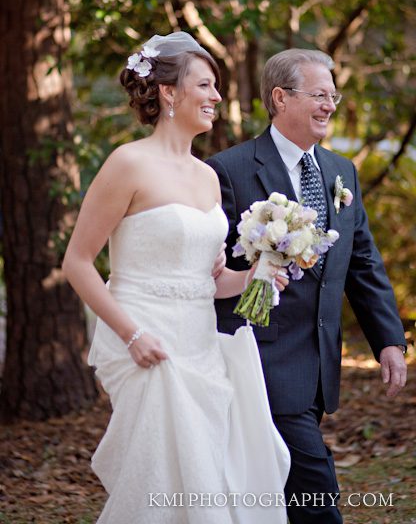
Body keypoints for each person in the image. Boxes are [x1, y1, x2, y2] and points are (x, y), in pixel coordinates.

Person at [62, 32, 291, 524]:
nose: (216, 97)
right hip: (147, 340)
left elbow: (210, 281)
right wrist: (133, 335)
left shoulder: (207, 176)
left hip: (201, 343)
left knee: (207, 478)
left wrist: (255, 275)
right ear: (168, 92)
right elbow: (77, 262)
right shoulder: (128, 163)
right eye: (205, 85)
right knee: (162, 480)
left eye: (216, 87)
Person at [207, 48, 407, 524]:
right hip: (261, 360)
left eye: (333, 96)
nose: (330, 105)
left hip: (318, 363)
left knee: (279, 491)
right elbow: (210, 270)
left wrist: (389, 340)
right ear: (280, 98)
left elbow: (362, 262)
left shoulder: (341, 172)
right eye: (319, 95)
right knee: (316, 489)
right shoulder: (228, 170)